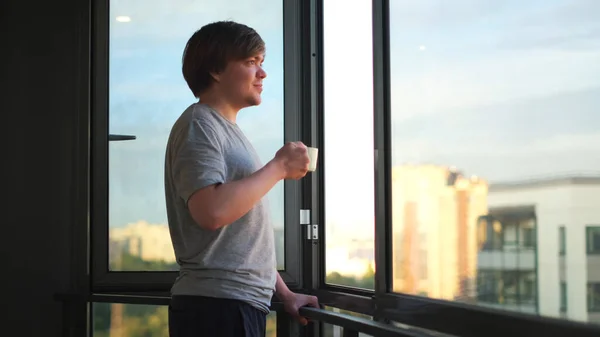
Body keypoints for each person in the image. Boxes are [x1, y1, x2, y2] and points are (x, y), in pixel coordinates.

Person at [164, 21, 319, 337]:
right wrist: (277, 168)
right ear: (216, 70)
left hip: (232, 304)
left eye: (262, 63)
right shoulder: (200, 125)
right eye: (251, 62)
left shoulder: (225, 131)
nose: (262, 73)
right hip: (217, 308)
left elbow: (240, 238)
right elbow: (211, 213)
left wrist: (285, 294)